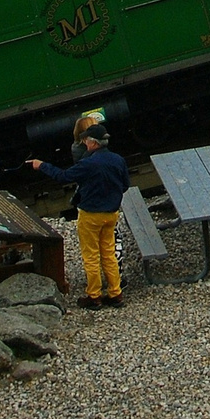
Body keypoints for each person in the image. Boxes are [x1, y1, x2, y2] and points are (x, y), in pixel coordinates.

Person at [26, 123, 129, 309]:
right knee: (109, 253)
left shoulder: (88, 164)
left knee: (91, 256)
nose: (85, 143)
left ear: (93, 143)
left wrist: (42, 165)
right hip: (111, 214)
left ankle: (94, 296)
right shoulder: (118, 160)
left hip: (90, 215)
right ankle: (116, 293)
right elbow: (125, 185)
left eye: (87, 140)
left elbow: (63, 176)